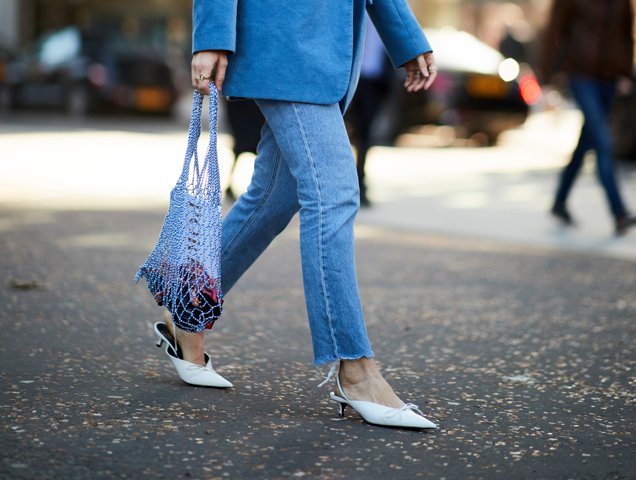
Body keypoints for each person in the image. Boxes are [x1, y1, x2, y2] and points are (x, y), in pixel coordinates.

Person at [155, 0, 439, 429]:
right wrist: (212, 35)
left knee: (272, 199)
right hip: (282, 44)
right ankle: (355, 369)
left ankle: (187, 305)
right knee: (335, 196)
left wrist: (404, 34)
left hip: (324, 52)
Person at [541, 0, 636, 235]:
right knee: (603, 142)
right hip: (580, 75)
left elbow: (626, 34)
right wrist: (546, 77)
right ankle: (619, 211)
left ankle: (559, 202)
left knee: (587, 142)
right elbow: (553, 30)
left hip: (610, 78)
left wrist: (625, 72)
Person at [345, 17, 393, 207]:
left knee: (365, 136)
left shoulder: (385, 11)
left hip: (373, 81)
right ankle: (333, 183)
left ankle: (359, 185)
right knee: (334, 130)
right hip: (346, 78)